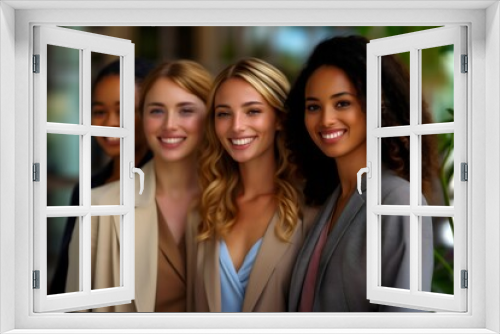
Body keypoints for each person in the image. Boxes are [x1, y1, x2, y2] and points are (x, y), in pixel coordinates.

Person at [285, 36, 436, 312]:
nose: (326, 119)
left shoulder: (399, 201)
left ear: (378, 106)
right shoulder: (329, 200)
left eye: (342, 103)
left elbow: (404, 320)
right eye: (313, 107)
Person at [66, 60, 212, 312]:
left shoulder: (234, 198)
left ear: (211, 116)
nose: (169, 125)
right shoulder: (98, 205)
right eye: (156, 111)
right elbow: (74, 314)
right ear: (143, 118)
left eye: (185, 110)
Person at [189, 58, 309, 312]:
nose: (236, 126)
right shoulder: (204, 210)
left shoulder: (309, 209)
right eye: (224, 114)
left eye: (252, 111)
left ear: (279, 119)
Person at [49, 58, 155, 295]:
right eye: (99, 112)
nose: (109, 123)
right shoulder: (88, 188)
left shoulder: (163, 187)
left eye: (123, 111)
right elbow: (65, 275)